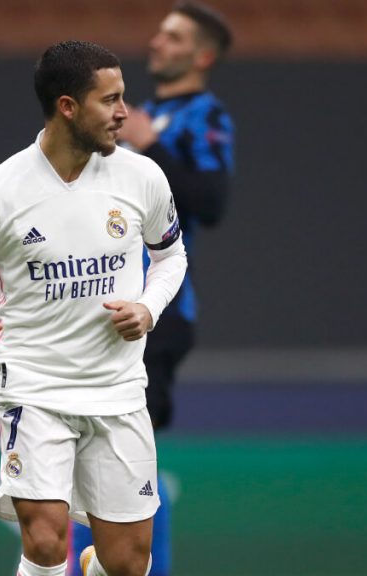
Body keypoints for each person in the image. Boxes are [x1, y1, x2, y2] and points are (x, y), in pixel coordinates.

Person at [0, 40, 187, 576]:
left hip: (117, 390)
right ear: (67, 106)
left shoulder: (142, 177)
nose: (124, 113)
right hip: (34, 387)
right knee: (46, 541)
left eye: (123, 97)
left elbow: (171, 255)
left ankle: (94, 565)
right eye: (109, 100)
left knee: (127, 564)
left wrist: (148, 307)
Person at [70, 6, 235, 573]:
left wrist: (150, 145)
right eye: (160, 32)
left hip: (154, 312)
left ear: (202, 55)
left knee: (131, 459)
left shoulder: (204, 116)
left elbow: (212, 202)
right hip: (96, 305)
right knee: (84, 452)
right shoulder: (132, 114)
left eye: (174, 36)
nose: (158, 42)